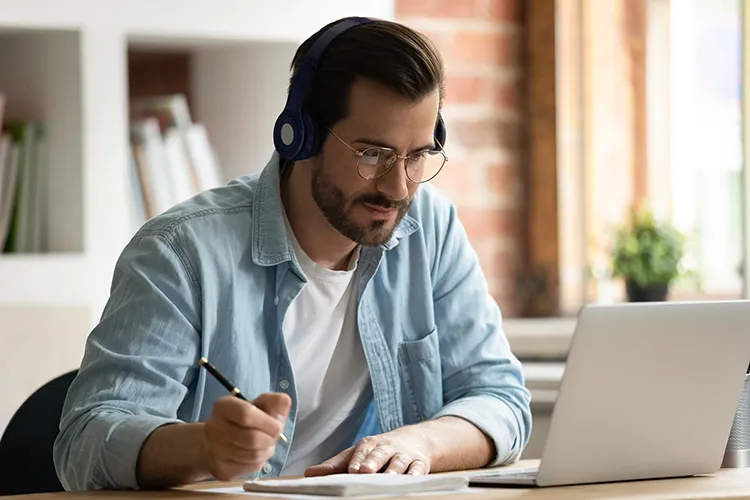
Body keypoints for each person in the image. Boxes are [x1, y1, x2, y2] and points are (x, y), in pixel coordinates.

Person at [53, 16, 532, 491]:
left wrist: (421, 443)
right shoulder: (181, 253)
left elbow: (501, 399)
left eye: (417, 155)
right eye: (373, 154)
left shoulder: (430, 229)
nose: (398, 186)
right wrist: (203, 448)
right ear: (299, 135)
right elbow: (85, 441)